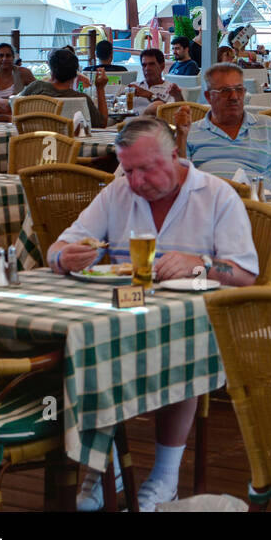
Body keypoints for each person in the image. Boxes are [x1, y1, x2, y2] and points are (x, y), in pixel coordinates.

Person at [47, 117, 258, 511]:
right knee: (86, 343)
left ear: (174, 155)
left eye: (146, 168)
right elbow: (60, 246)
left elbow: (245, 275)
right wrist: (63, 256)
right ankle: (101, 466)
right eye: (128, 170)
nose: (137, 180)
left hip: (194, 326)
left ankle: (165, 478)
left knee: (178, 346)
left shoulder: (216, 195)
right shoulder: (117, 192)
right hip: (123, 314)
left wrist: (200, 264)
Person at [178, 63, 271, 188]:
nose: (234, 96)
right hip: (208, 209)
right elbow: (179, 181)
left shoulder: (268, 127)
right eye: (225, 91)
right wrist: (181, 137)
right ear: (209, 96)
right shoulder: (190, 133)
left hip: (256, 211)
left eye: (239, 89)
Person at [17, 46, 109, 128]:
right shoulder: (82, 99)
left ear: (51, 70)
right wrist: (100, 89)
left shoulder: (37, 87)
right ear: (75, 74)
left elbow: (15, 106)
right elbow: (102, 123)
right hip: (69, 145)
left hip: (35, 142)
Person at [128, 48, 184, 114]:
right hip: (126, 122)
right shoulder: (133, 86)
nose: (147, 68)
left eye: (152, 64)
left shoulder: (170, 89)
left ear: (162, 66)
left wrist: (150, 96)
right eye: (144, 65)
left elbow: (171, 113)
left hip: (153, 123)